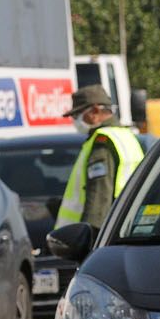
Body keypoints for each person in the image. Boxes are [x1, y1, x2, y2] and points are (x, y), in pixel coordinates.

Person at [54, 85, 145, 229]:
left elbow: (99, 196)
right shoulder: (126, 136)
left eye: (77, 115)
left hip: (98, 233)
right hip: (124, 225)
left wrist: (88, 234)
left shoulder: (103, 142)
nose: (75, 121)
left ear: (95, 110)